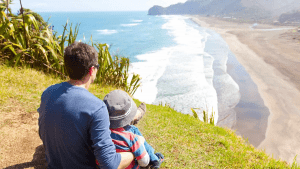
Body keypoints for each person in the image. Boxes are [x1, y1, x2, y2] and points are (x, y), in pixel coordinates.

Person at [37, 42, 136, 169]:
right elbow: (110, 164)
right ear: (92, 70)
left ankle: (135, 117)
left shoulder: (48, 93)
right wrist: (133, 153)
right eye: (97, 67)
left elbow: (43, 133)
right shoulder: (97, 107)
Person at [100, 90, 164, 169]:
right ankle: (155, 159)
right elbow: (144, 162)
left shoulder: (99, 134)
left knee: (132, 128)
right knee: (133, 129)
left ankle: (154, 158)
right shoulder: (131, 138)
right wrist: (140, 144)